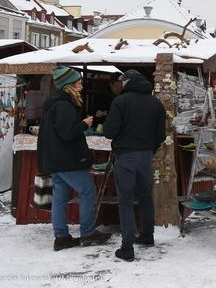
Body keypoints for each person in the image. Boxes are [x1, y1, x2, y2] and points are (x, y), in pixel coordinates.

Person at [37, 66, 112, 251]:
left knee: (60, 197)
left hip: (56, 160)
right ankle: (87, 233)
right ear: (68, 85)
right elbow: (68, 133)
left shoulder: (54, 103)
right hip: (67, 159)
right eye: (78, 81)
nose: (81, 84)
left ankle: (61, 237)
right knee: (87, 191)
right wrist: (84, 124)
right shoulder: (63, 105)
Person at [104, 69, 166, 262]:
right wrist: (150, 148)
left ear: (127, 82)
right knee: (146, 197)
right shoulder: (156, 103)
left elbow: (109, 132)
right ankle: (147, 236)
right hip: (146, 156)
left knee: (125, 200)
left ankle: (127, 247)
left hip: (126, 156)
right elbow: (161, 135)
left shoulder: (120, 102)